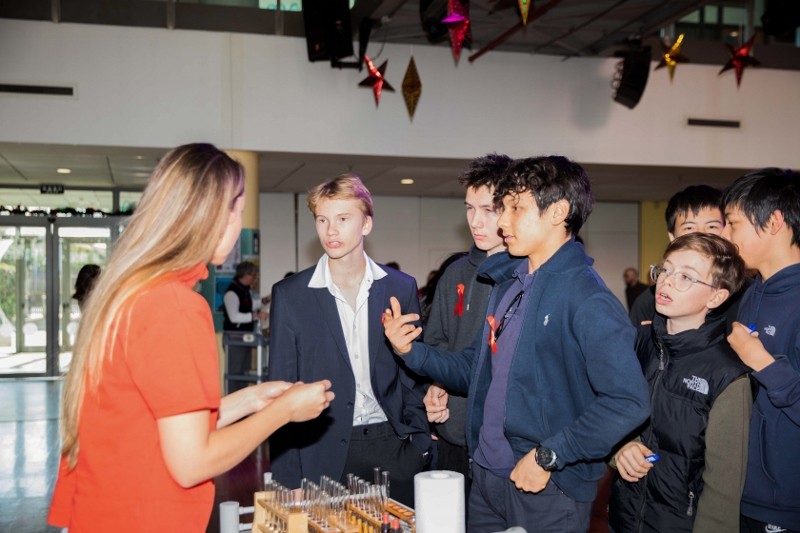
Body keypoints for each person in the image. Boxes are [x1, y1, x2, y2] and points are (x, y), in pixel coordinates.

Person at [47, 143, 334, 532]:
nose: (238, 223)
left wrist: (252, 400)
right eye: (238, 208)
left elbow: (166, 421)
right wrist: (282, 413)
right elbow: (192, 463)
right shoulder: (175, 305)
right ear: (217, 214)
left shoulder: (133, 291)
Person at [384, 156, 650, 532]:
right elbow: (474, 368)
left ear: (558, 212)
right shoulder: (508, 284)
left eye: (515, 208)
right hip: (487, 476)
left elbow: (627, 401)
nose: (502, 222)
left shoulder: (588, 299)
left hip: (545, 485)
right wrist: (411, 351)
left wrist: (549, 455)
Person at [268, 174, 431, 507]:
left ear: (366, 224)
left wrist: (419, 442)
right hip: (321, 449)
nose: (331, 231)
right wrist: (288, 477)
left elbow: (411, 373)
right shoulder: (291, 295)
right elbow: (281, 389)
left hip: (394, 444)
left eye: (343, 219)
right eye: (323, 220)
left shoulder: (400, 286)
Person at [608, 233, 751, 533]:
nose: (667, 281)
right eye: (666, 269)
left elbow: (723, 489)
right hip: (623, 516)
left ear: (716, 297)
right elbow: (605, 409)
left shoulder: (726, 374)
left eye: (686, 276)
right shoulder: (635, 343)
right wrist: (621, 447)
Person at [422, 153, 513, 498]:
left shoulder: (526, 274)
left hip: (505, 444)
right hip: (454, 434)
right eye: (470, 208)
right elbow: (438, 343)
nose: (476, 221)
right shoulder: (455, 273)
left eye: (488, 210)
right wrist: (434, 385)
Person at [720, 168, 800, 533]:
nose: (725, 235)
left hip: (785, 503)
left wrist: (763, 363)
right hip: (743, 491)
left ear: (774, 222)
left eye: (733, 223)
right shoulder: (753, 292)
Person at [630, 185, 725, 326]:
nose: (701, 236)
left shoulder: (745, 295)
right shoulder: (651, 302)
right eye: (689, 228)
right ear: (672, 237)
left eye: (712, 227)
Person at [223, 260, 268, 392]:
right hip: (234, 338)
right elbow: (234, 317)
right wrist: (256, 315)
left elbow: (252, 305)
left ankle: (242, 400)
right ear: (245, 275)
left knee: (244, 373)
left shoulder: (244, 291)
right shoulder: (232, 293)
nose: (255, 279)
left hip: (244, 337)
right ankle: (232, 399)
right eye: (253, 276)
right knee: (235, 373)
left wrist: (268, 298)